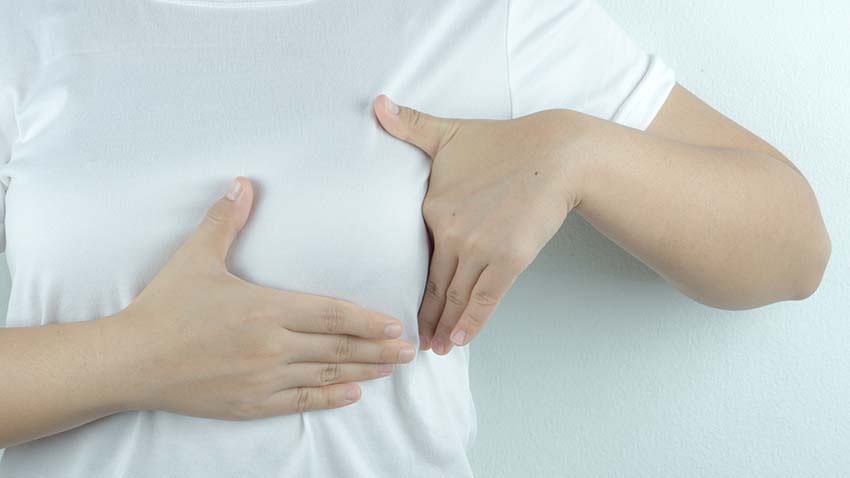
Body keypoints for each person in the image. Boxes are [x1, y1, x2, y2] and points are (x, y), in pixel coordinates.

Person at [0, 0, 830, 477]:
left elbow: (792, 250)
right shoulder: (27, 28)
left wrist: (580, 151)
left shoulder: (479, 16)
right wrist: (134, 359)